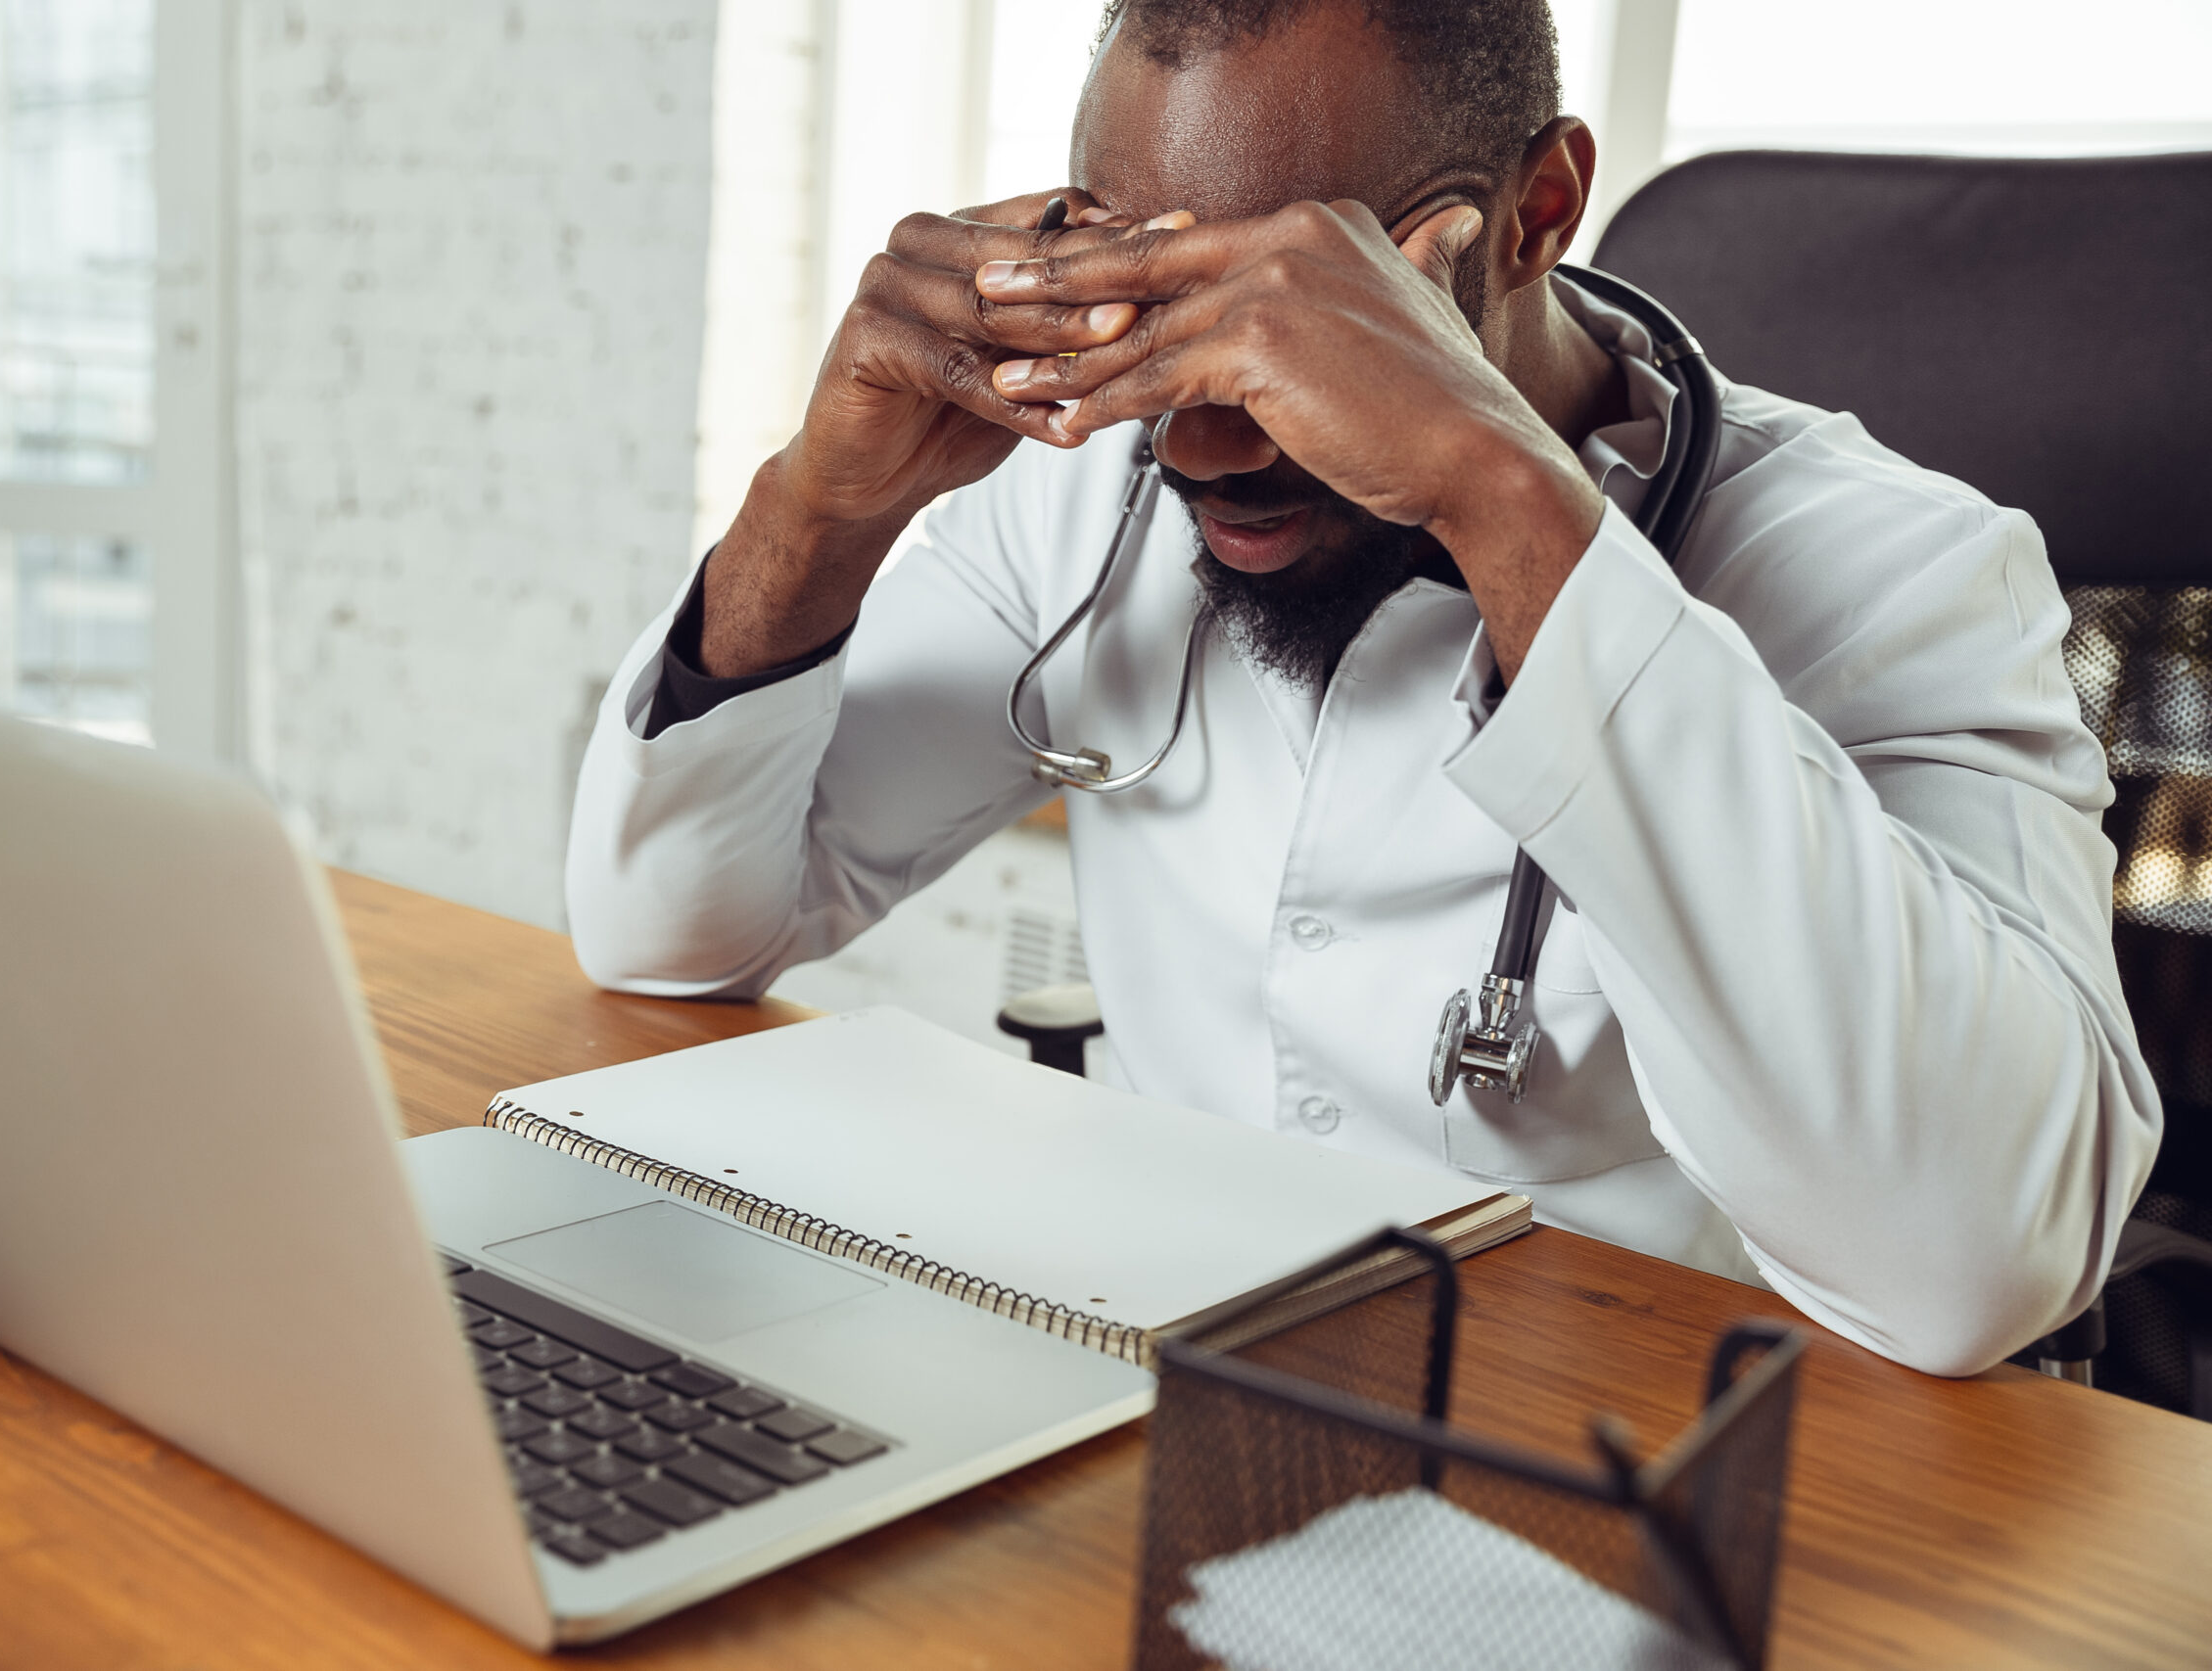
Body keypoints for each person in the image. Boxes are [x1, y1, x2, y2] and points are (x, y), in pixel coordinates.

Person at [565, 0, 2161, 1375]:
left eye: (1298, 305)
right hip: (1177, 1386)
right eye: (1149, 293)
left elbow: (1976, 1269)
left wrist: (1497, 491)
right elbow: (671, 930)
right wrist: (817, 509)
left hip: (1646, 1472)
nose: (1198, 437)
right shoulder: (1076, 500)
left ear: (1539, 211)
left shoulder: (1898, 569)